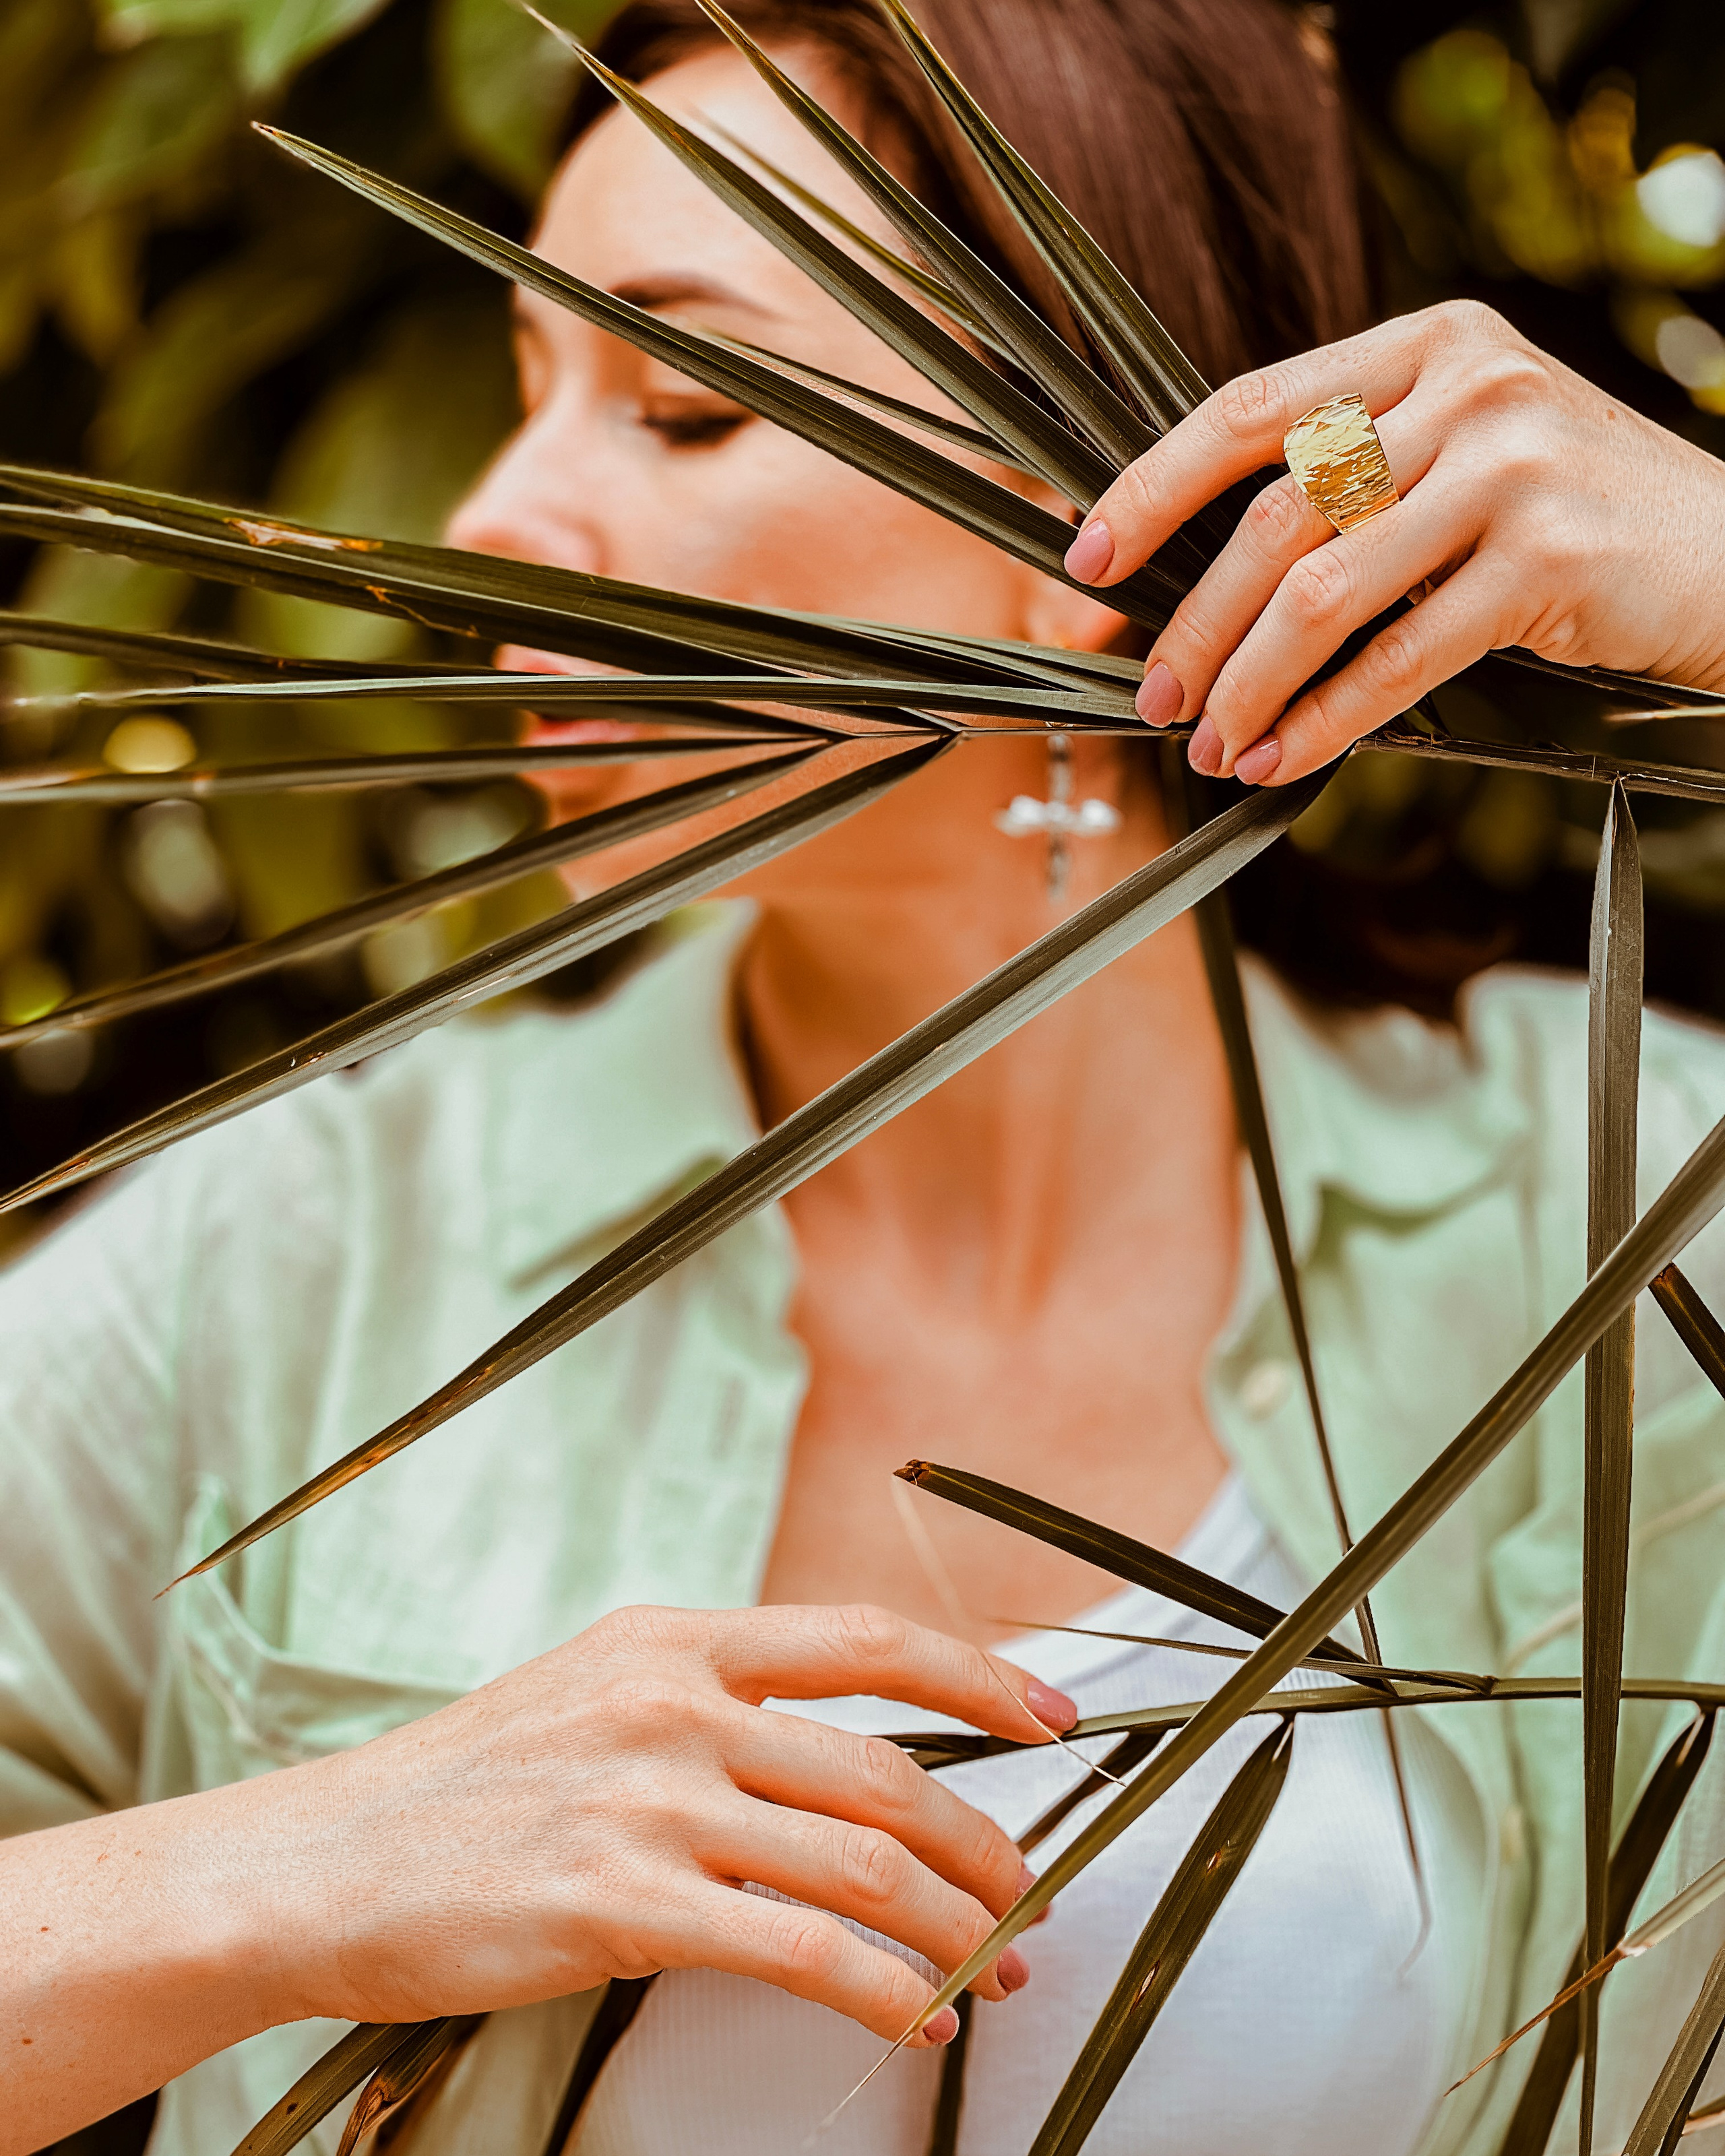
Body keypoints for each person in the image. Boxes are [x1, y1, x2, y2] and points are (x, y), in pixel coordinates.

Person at [7, 3, 1725, 2153]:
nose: (500, 518)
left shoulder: (1631, 1210)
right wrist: (284, 1875)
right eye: (532, 393)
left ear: (1117, 509)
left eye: (678, 401)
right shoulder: (296, 1265)